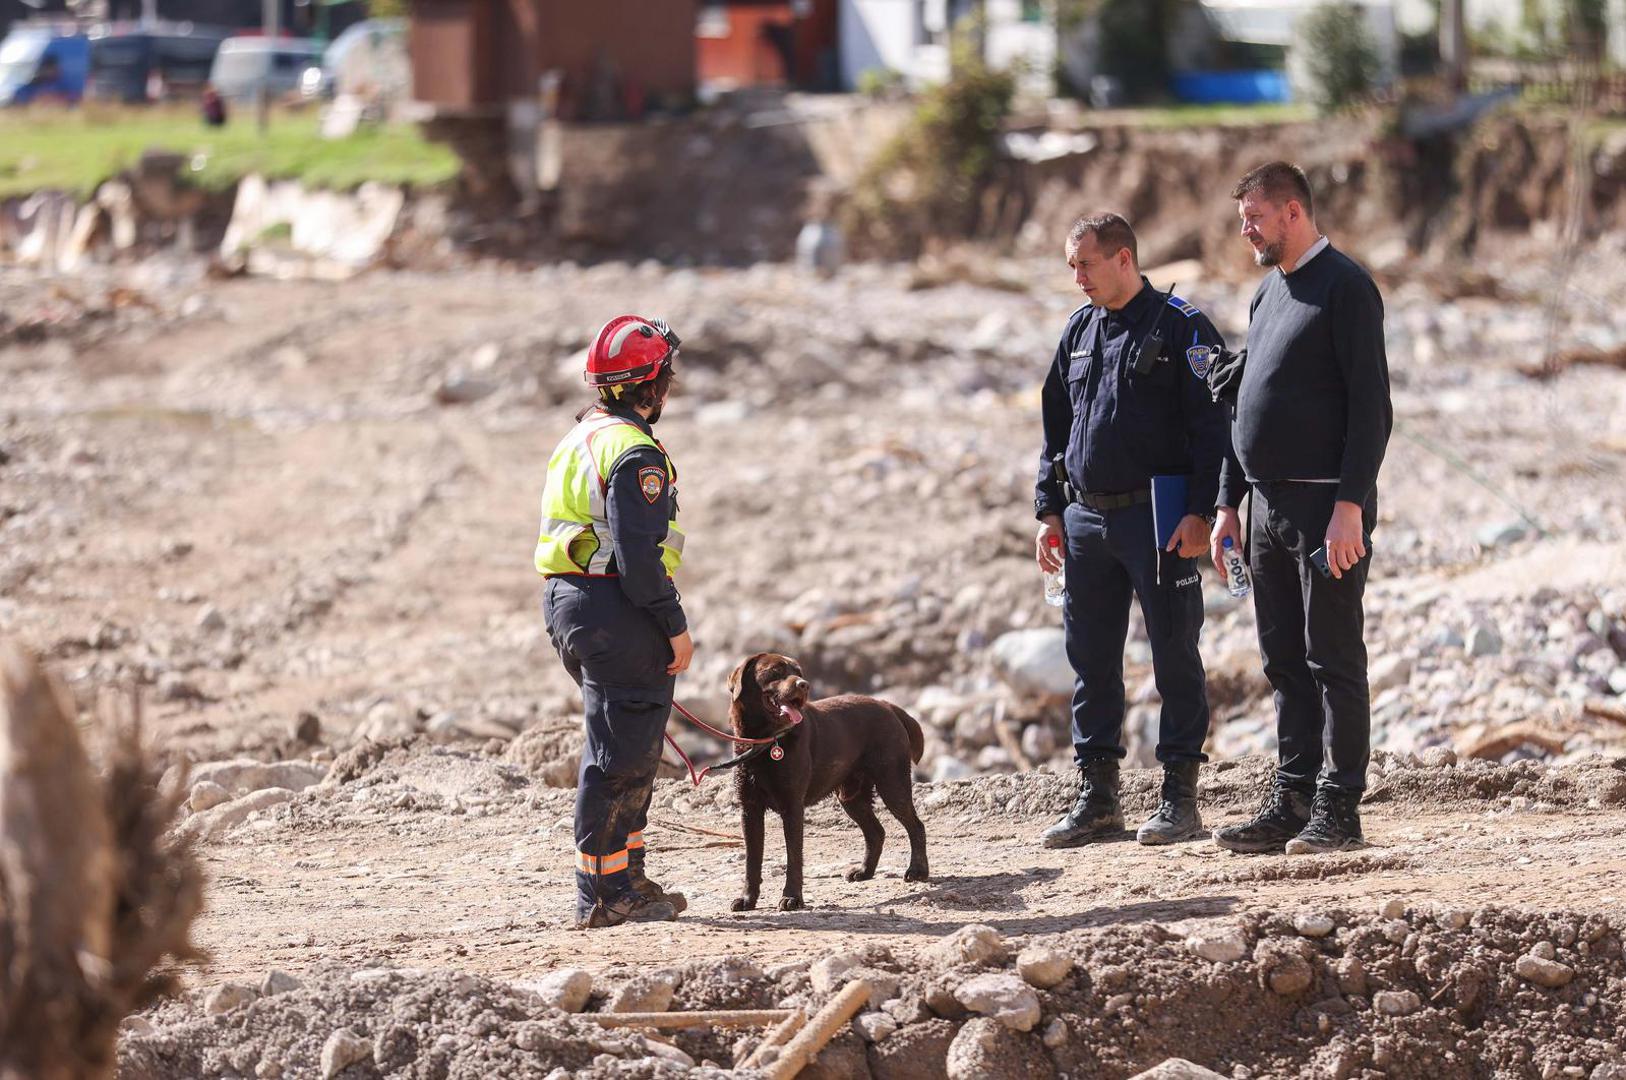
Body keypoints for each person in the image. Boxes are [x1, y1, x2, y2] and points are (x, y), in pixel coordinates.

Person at [1208, 162, 1393, 855]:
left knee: (1332, 658)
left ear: (1293, 212)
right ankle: (1290, 798)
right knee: (1283, 659)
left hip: (1325, 508)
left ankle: (1339, 808)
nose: (1246, 230)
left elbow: (1373, 410)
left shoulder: (1346, 288)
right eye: (1242, 220)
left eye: (1254, 217)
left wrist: (1351, 505)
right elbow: (1241, 403)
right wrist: (1228, 503)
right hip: (1265, 509)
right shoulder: (1267, 294)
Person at [1034, 213, 1231, 849]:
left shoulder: (1183, 327)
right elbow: (1055, 428)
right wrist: (1049, 511)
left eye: (1085, 264)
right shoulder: (1079, 331)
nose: (1077, 277)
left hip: (1159, 515)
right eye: (1071, 265)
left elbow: (1214, 429)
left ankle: (1179, 794)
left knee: (1175, 650)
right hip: (1087, 517)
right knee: (1090, 657)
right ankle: (1098, 796)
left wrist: (1204, 511)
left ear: (1124, 258)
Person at [535, 315, 694, 927]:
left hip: (572, 602)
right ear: (651, 385)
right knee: (619, 753)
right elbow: (638, 559)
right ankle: (602, 896)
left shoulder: (584, 434)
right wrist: (674, 626)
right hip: (615, 610)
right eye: (667, 380)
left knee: (629, 744)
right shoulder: (632, 452)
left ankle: (626, 877)